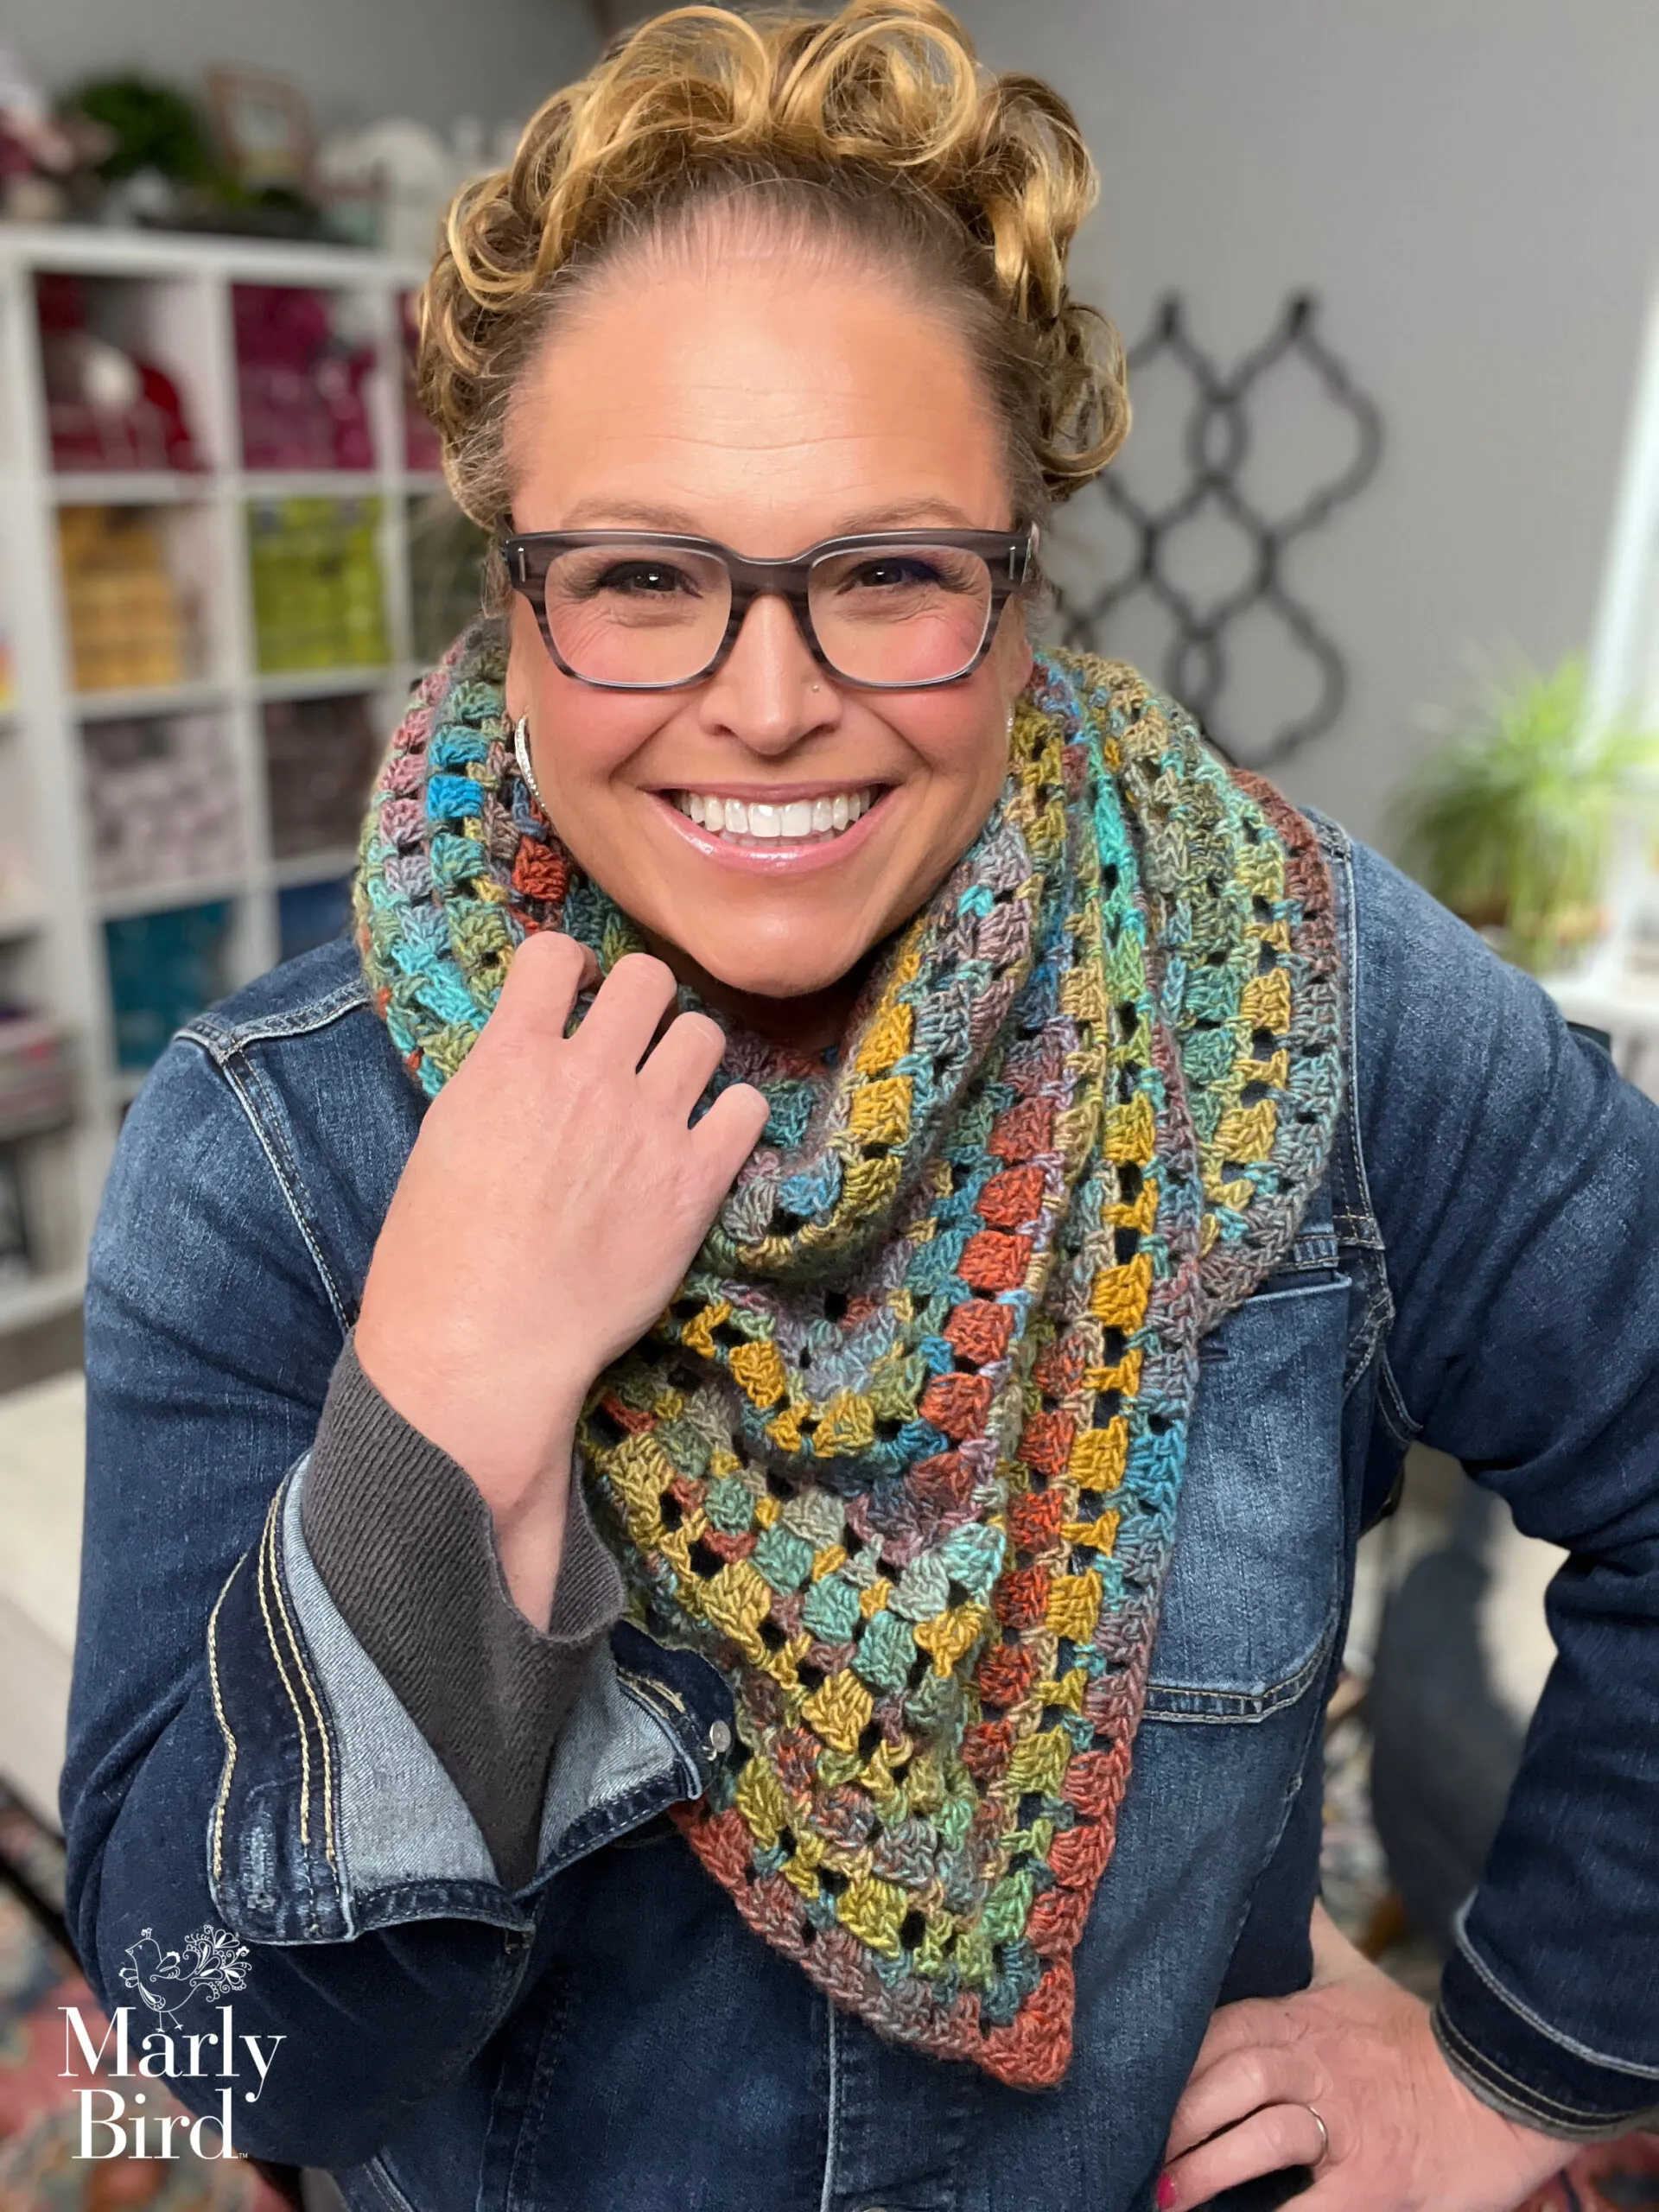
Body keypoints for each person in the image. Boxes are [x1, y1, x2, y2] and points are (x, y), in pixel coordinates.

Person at [62, 4, 1659, 2208]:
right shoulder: (273, 1143)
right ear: (513, 590)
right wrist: (447, 1391)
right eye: (644, 577)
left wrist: (1517, 2064)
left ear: (1021, 578)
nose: (771, 701)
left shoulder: (1307, 1007)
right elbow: (223, 2046)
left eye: (890, 571)